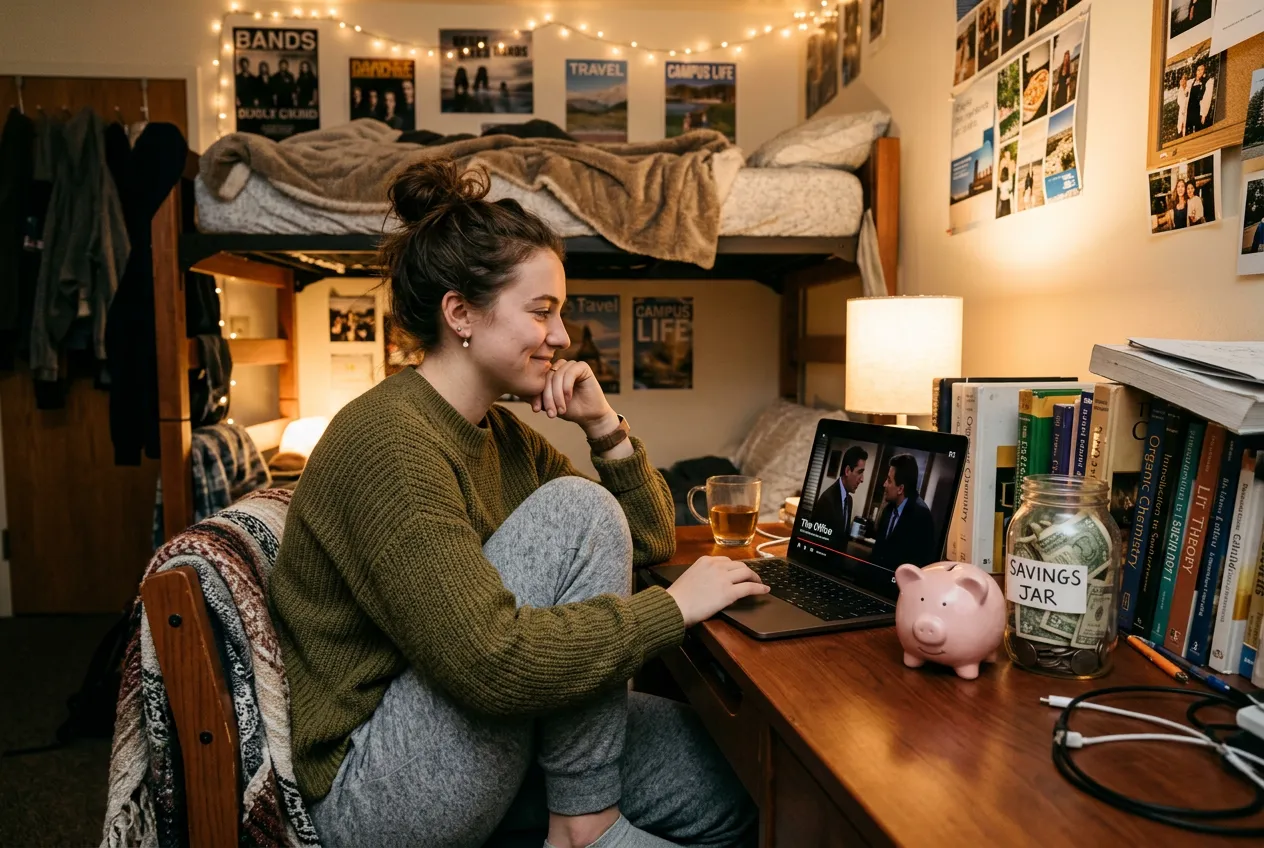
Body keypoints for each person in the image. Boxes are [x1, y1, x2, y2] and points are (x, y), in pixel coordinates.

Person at [272, 160, 763, 848]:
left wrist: (605, 428)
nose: (563, 337)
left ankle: (581, 816)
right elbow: (490, 662)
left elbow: (643, 540)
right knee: (576, 509)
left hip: (473, 726)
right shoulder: (390, 442)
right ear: (461, 313)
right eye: (543, 312)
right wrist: (674, 609)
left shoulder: (497, 432)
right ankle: (584, 825)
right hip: (378, 784)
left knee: (730, 777)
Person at [868, 454, 936, 570]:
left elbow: (922, 566)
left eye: (889, 481)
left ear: (900, 489)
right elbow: (877, 553)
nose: (884, 484)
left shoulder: (921, 517)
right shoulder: (888, 510)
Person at [811, 446, 868, 540]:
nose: (862, 479)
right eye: (859, 472)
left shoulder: (849, 501)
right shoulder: (827, 500)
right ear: (847, 471)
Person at [1186, 61, 1208, 136]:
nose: (1200, 72)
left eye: (1202, 70)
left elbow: (1206, 99)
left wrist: (1204, 115)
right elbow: (1185, 95)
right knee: (1188, 131)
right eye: (1198, 70)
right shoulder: (1190, 82)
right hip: (1189, 109)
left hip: (1198, 109)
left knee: (1198, 130)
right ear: (1196, 72)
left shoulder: (1205, 83)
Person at [1175, 69, 1191, 138]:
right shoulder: (1180, 89)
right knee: (1180, 122)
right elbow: (1179, 101)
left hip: (1187, 107)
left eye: (1185, 79)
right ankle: (1180, 132)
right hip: (1182, 108)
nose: (1183, 80)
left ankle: (1184, 134)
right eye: (1182, 79)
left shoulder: (1188, 88)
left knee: (1185, 122)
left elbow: (1188, 98)